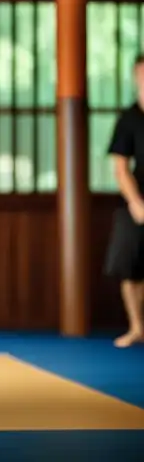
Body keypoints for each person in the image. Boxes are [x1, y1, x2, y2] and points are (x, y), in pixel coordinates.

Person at [105, 53, 144, 348]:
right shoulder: (129, 118)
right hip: (137, 198)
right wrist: (136, 202)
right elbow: (120, 167)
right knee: (129, 266)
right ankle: (137, 326)